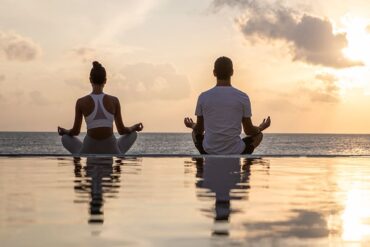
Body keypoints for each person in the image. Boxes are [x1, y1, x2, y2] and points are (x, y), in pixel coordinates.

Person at [184, 56, 271, 155]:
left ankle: (200, 167)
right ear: (232, 72)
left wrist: (191, 125)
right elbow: (248, 130)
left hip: (208, 150)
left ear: (214, 72)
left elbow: (199, 129)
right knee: (259, 135)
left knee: (194, 133)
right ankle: (246, 168)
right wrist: (260, 128)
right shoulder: (243, 97)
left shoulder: (203, 97)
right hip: (236, 151)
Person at [58, 61, 143, 154]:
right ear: (105, 80)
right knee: (133, 134)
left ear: (90, 80)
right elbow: (122, 131)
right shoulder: (114, 101)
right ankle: (117, 153)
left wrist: (65, 131)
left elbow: (75, 132)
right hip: (111, 148)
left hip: (89, 148)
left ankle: (81, 158)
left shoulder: (81, 102)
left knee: (65, 138)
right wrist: (134, 127)